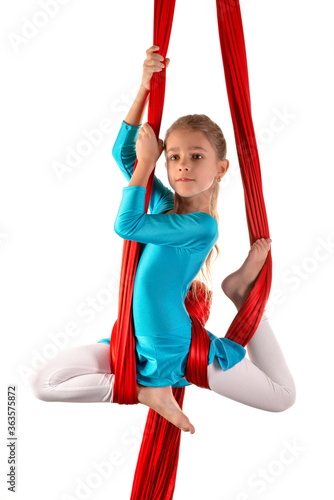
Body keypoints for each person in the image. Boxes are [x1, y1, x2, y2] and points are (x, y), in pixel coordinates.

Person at [29, 45, 296, 434]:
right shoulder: (167, 204)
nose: (182, 163)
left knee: (282, 396)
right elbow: (124, 154)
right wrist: (143, 88)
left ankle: (244, 298)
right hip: (136, 342)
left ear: (221, 168)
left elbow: (128, 224)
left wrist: (147, 163)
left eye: (196, 156)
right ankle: (143, 391)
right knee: (43, 383)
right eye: (172, 156)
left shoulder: (203, 227)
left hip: (177, 352)